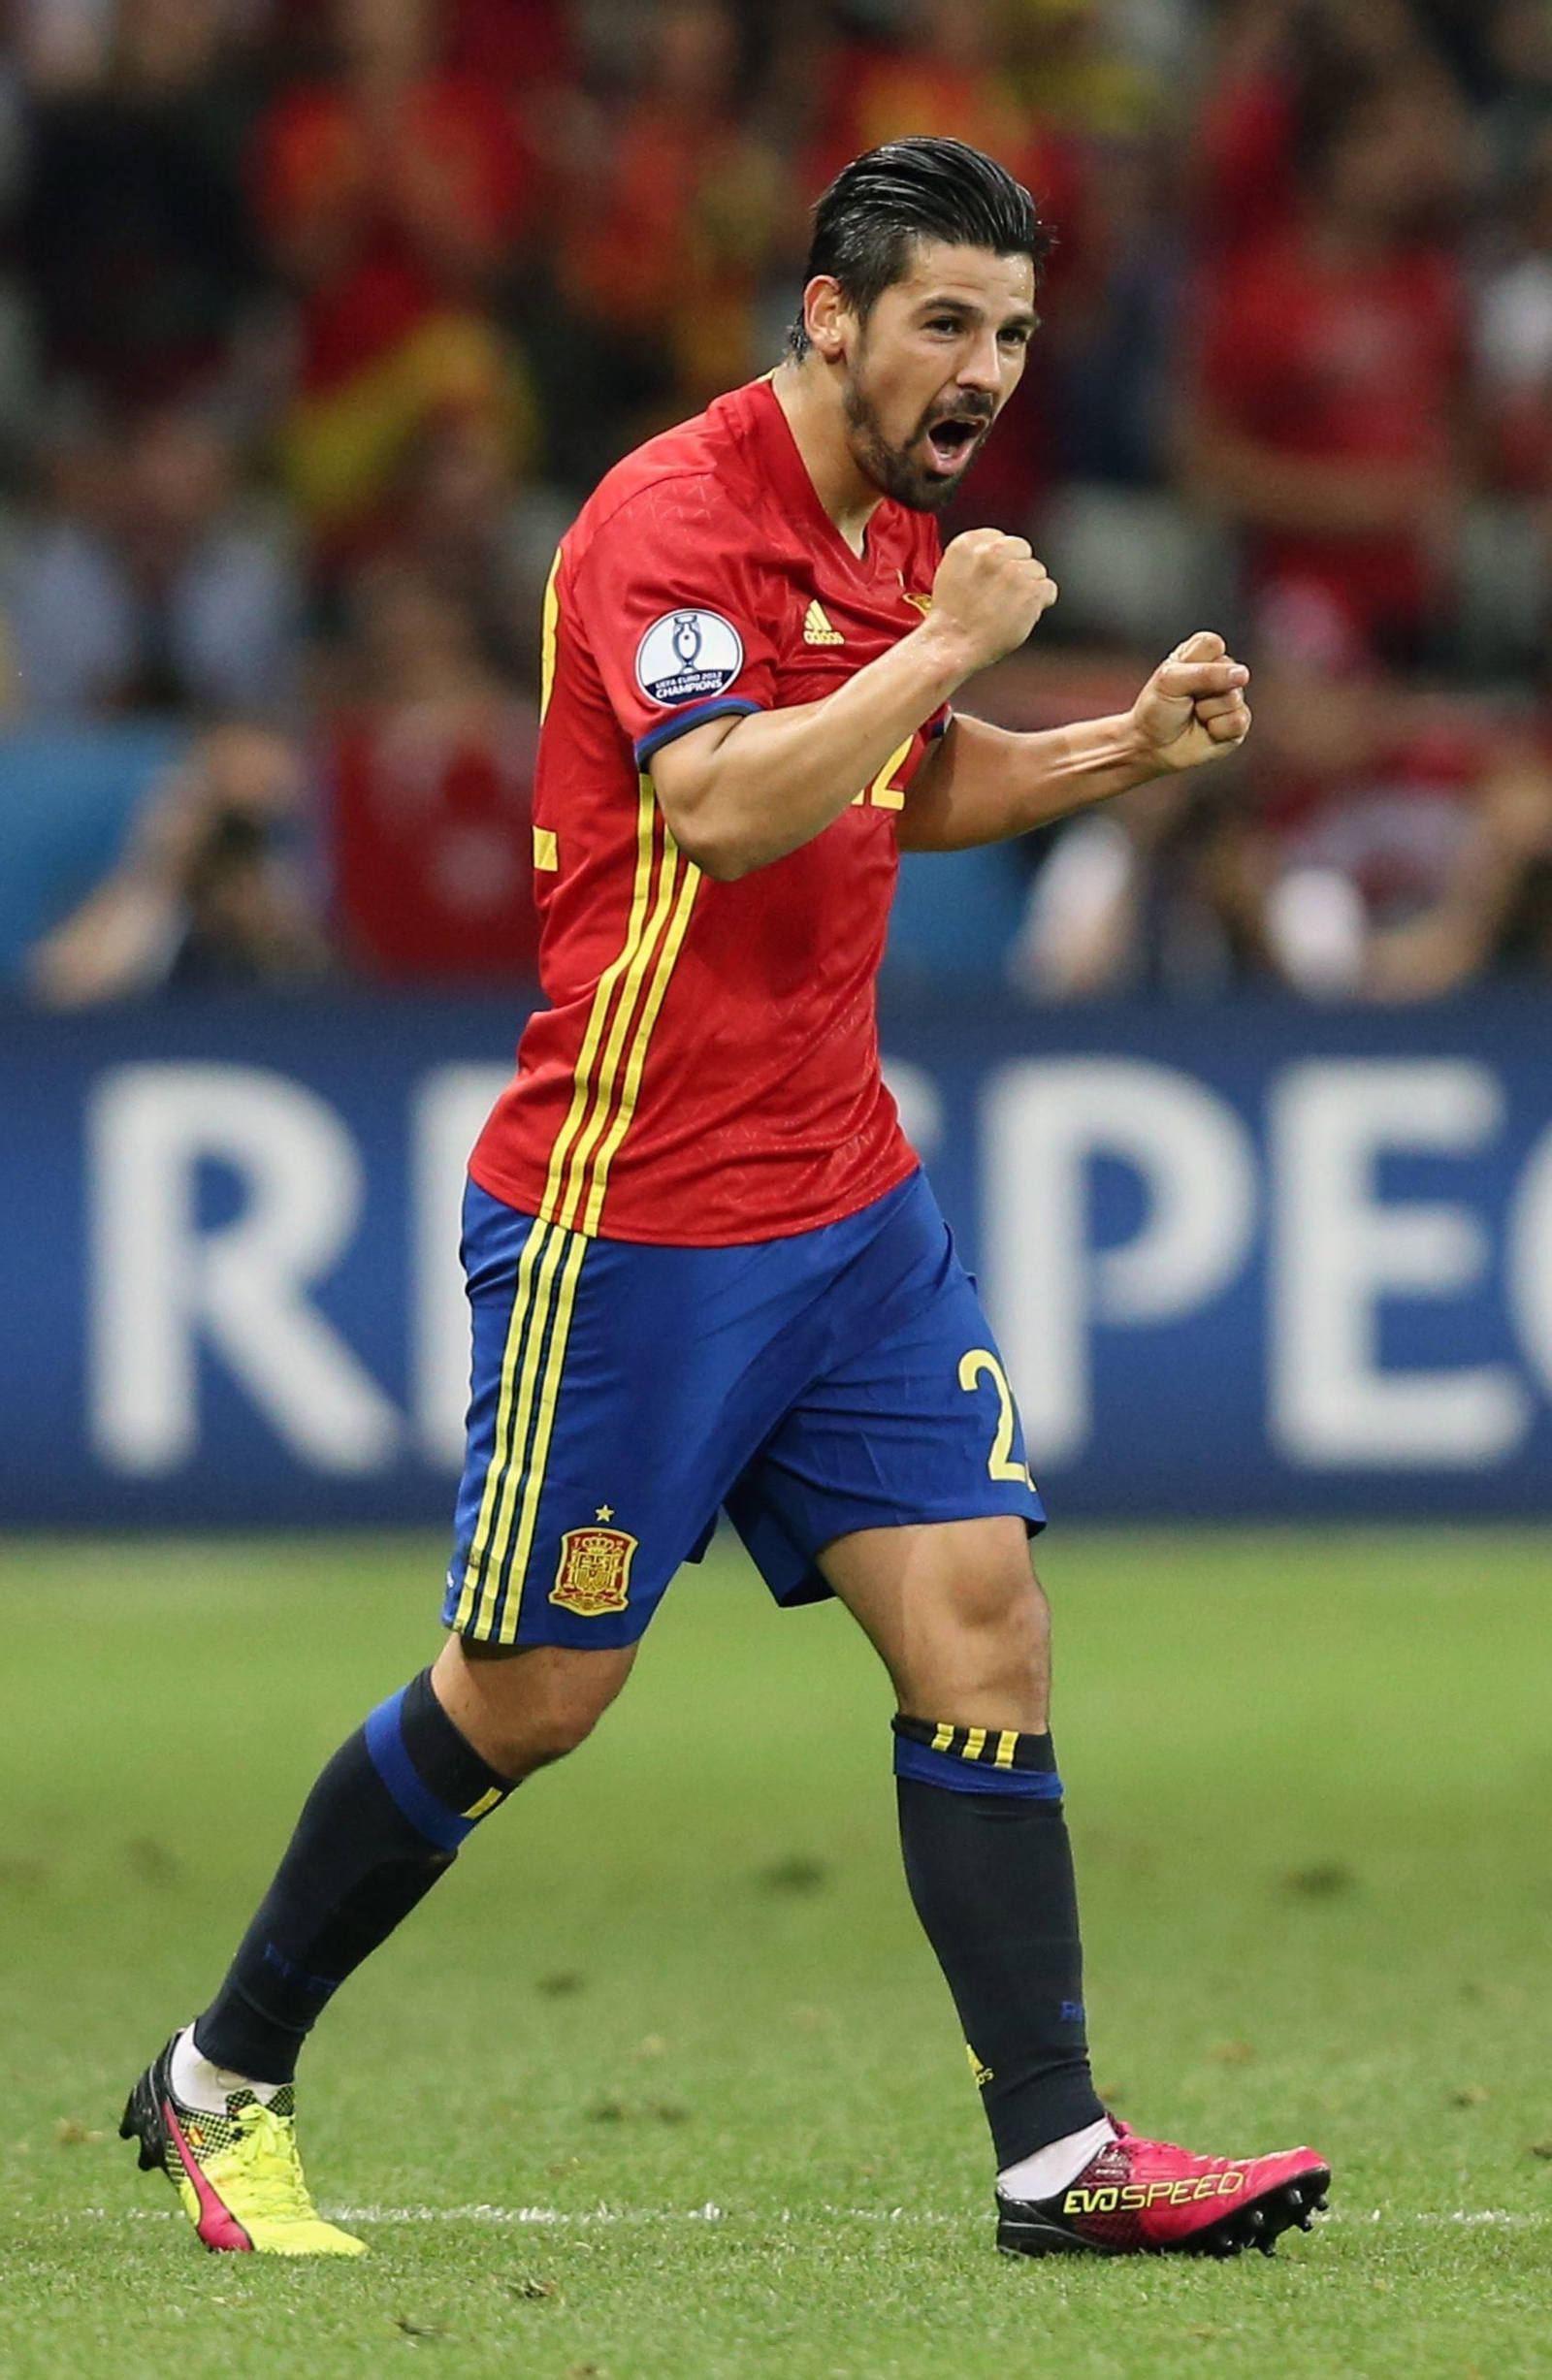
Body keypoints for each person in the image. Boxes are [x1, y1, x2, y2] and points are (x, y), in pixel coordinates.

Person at [120, 136, 1330, 2263]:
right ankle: (221, 2080)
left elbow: (890, 783)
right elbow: (719, 805)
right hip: (637, 1217)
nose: (981, 370)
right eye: (944, 322)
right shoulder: (670, 521)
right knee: (530, 1700)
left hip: (845, 1197)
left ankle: (1054, 2156)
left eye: (1015, 334)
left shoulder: (887, 535)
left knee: (981, 1620)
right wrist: (942, 645)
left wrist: (1114, 751)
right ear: (829, 317)